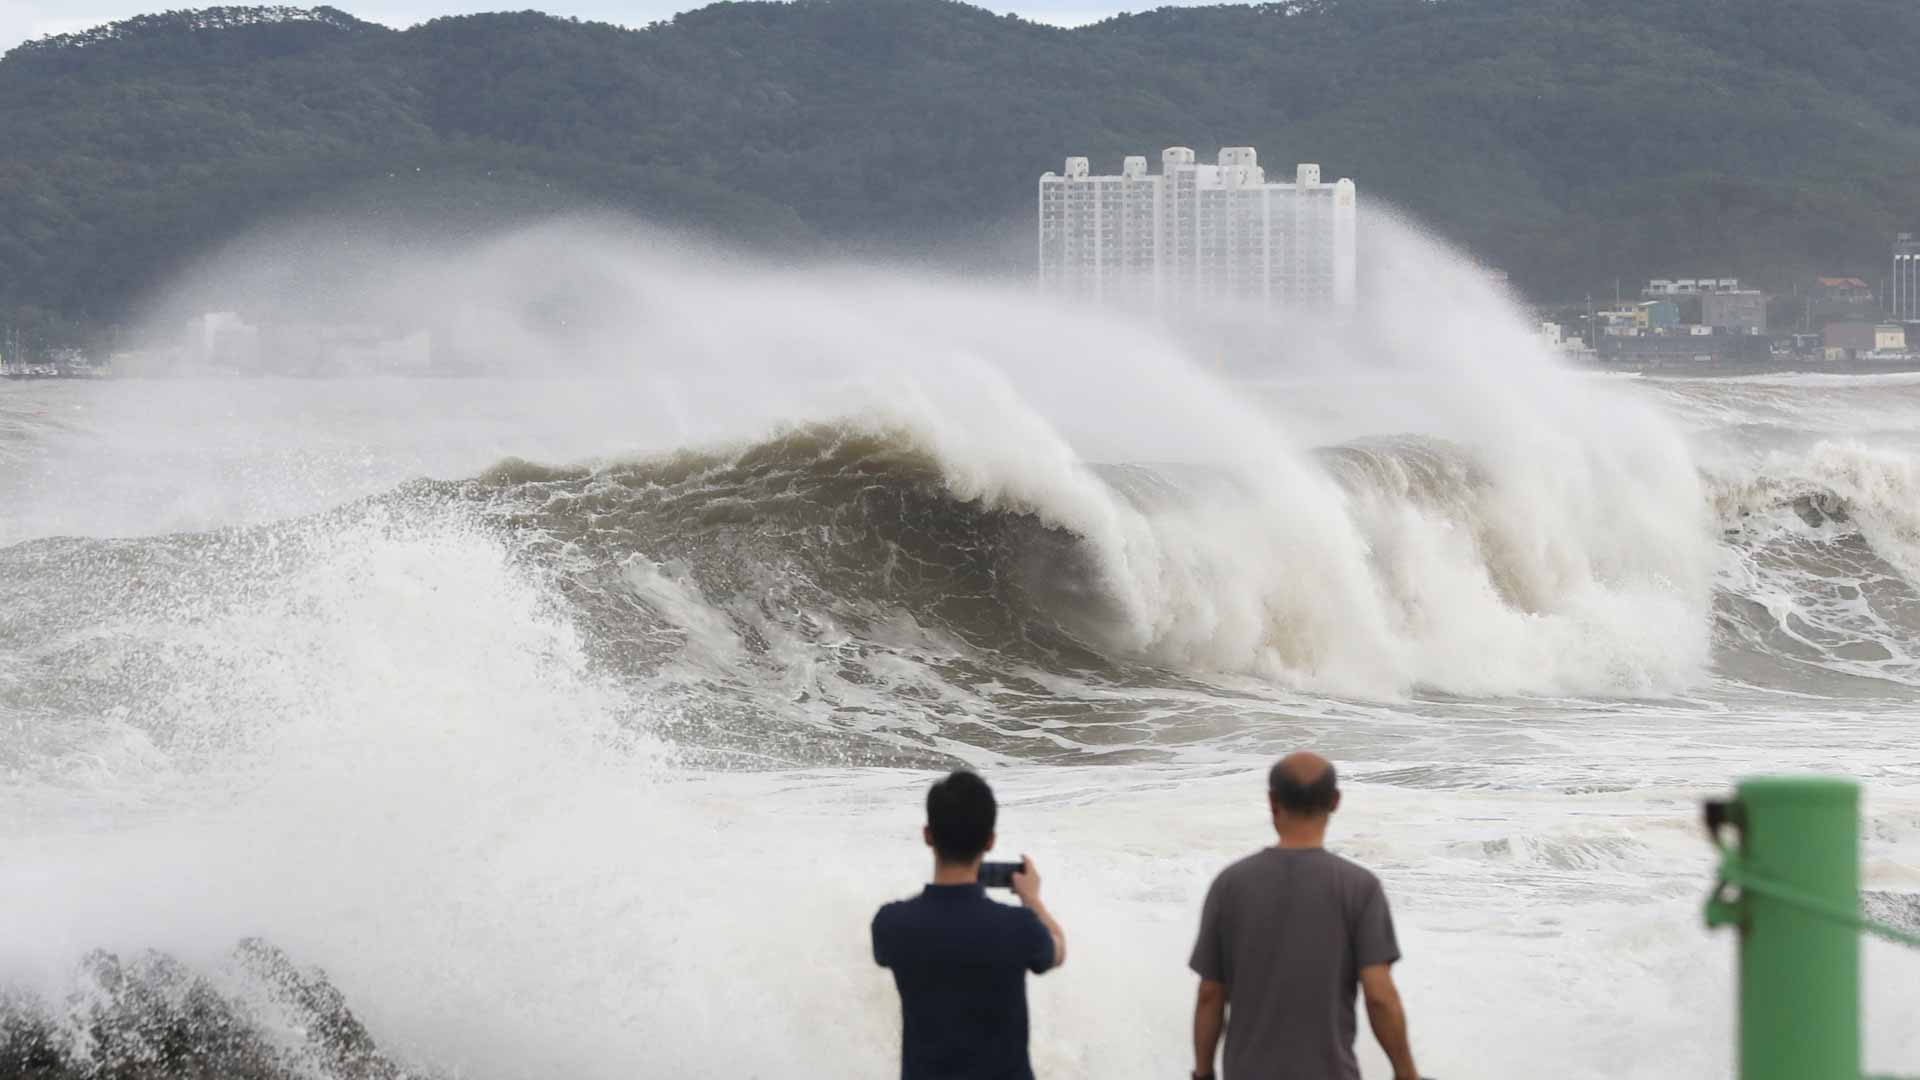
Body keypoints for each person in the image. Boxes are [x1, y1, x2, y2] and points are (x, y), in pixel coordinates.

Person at [1188, 752, 1420, 1080]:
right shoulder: (1359, 887)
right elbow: (1379, 996)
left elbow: (1210, 994)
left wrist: (1203, 1072)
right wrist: (1406, 1073)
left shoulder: (1230, 884)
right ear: (1335, 801)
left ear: (1272, 802)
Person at [872, 769, 1067, 1080]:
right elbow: (1057, 950)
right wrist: (1032, 899)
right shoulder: (1019, 927)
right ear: (990, 842)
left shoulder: (892, 924)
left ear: (928, 835)